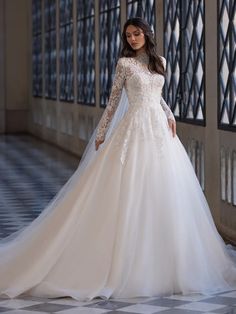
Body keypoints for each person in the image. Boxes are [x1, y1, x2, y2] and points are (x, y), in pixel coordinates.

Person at [0, 17, 236, 302]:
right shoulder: (124, 64)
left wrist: (170, 112)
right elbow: (113, 101)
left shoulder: (159, 60)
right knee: (128, 189)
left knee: (165, 192)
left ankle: (168, 263)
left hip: (160, 130)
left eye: (137, 33)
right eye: (128, 35)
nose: (133, 38)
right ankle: (125, 263)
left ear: (146, 34)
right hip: (133, 128)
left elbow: (156, 93)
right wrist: (101, 133)